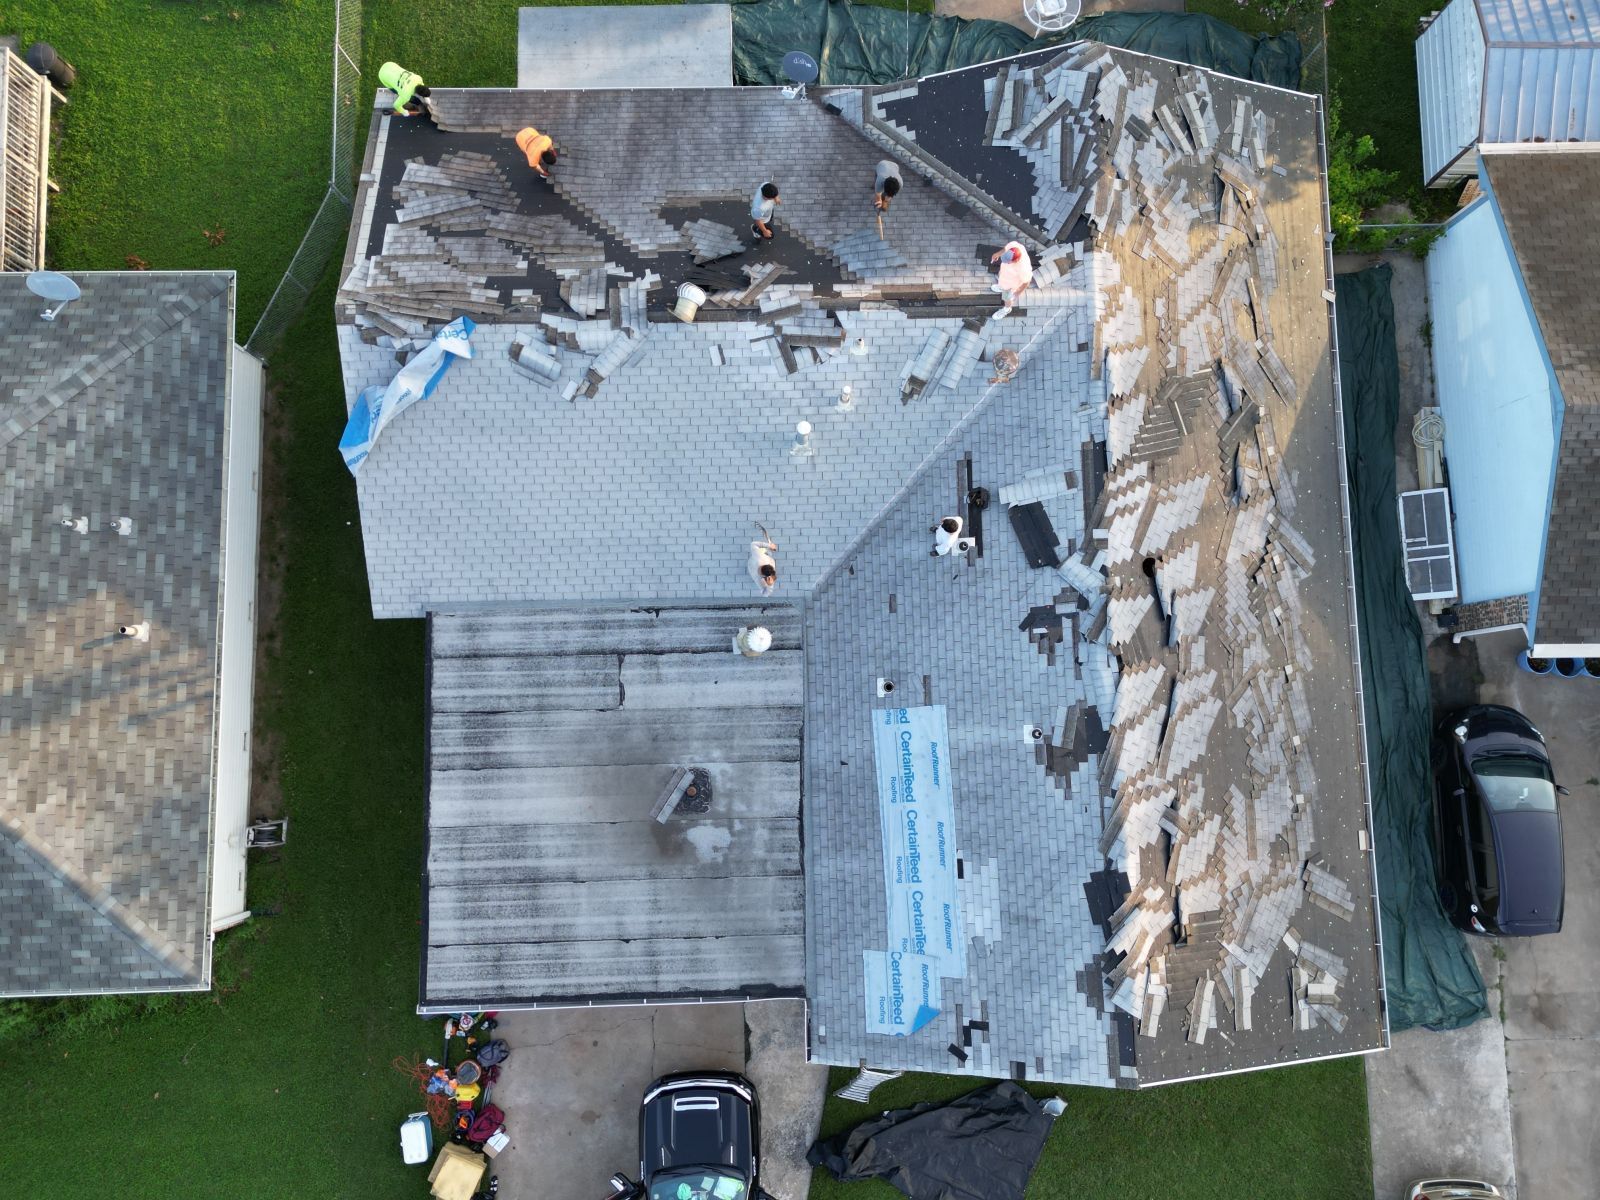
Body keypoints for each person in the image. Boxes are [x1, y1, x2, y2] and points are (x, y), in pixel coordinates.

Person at [990, 241, 1034, 315]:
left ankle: (1007, 309)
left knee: (1006, 298)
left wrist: (1017, 293)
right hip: (1004, 276)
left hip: (1010, 286)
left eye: (1008, 261)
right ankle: (1001, 287)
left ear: (1016, 260)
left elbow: (1027, 281)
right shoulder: (1015, 245)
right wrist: (998, 254)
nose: (1005, 262)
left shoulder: (1023, 268)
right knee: (1001, 279)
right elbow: (1005, 249)